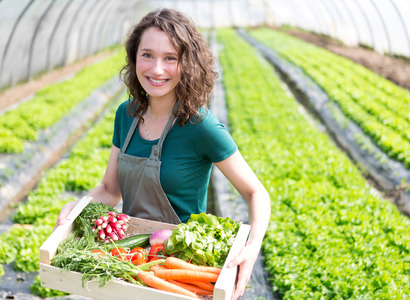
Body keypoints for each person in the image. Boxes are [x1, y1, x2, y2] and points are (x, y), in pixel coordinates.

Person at [54, 8, 270, 300]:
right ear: (134, 58)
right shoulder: (126, 114)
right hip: (129, 260)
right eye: (147, 55)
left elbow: (256, 193)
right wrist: (78, 207)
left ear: (188, 64)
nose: (156, 69)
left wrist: (251, 247)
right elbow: (110, 189)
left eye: (170, 58)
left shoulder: (199, 125)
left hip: (181, 269)